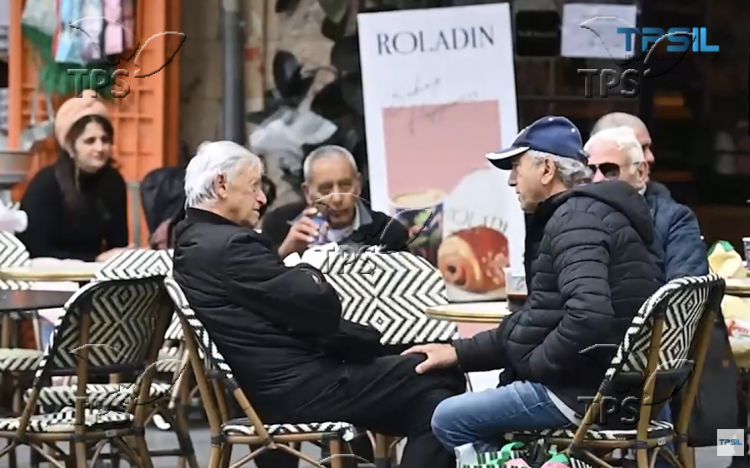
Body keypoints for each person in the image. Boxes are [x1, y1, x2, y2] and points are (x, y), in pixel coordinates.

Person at [172, 141, 465, 468]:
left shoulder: (193, 240)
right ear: (221, 185)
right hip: (297, 388)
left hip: (274, 385)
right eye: (254, 186)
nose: (261, 198)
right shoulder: (231, 246)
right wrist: (309, 269)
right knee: (441, 372)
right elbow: (319, 302)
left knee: (435, 402)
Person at [400, 116, 663, 453]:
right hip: (616, 391)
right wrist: (458, 352)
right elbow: (536, 321)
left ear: (547, 169)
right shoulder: (589, 214)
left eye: (516, 167)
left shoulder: (574, 220)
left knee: (449, 418)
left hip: (586, 395)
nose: (511, 180)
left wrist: (536, 366)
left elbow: (589, 316)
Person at [18, 91, 129, 262]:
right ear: (70, 147)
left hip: (95, 272)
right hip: (47, 273)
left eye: (105, 140)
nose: (100, 148)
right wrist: (93, 260)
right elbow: (33, 250)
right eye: (90, 141)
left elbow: (117, 244)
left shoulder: (113, 182)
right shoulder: (46, 183)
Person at [584, 126, 707, 280]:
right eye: (590, 170)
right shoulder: (570, 217)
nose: (597, 179)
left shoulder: (675, 219)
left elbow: (686, 288)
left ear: (640, 172)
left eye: (610, 171)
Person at [262, 145, 409, 258]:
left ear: (358, 185)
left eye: (345, 186)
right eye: (326, 190)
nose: (337, 198)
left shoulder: (388, 231)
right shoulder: (278, 225)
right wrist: (285, 252)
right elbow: (260, 282)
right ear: (307, 192)